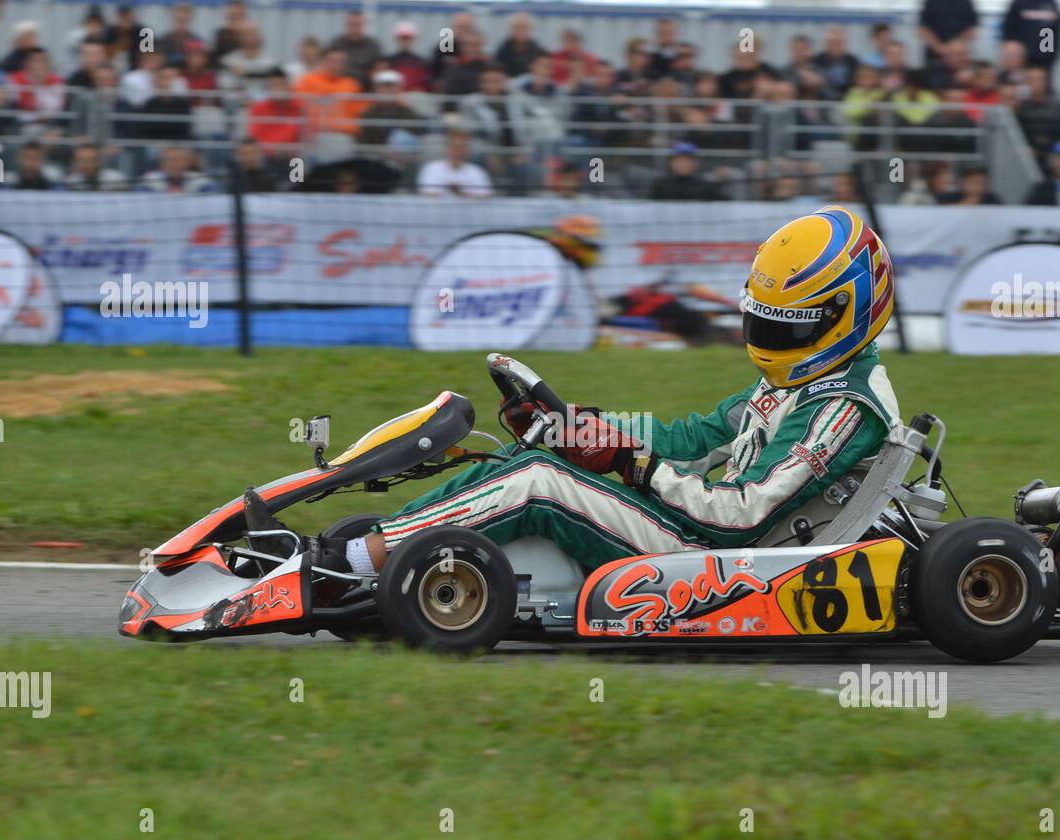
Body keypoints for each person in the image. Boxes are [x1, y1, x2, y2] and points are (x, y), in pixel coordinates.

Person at [247, 206, 901, 583]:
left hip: (726, 562)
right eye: (763, 320)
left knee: (538, 483)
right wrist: (580, 431)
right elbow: (692, 440)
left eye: (787, 325)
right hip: (703, 531)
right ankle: (371, 547)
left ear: (847, 312)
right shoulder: (804, 378)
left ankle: (342, 564)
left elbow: (742, 512)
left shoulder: (843, 408)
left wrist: (629, 464)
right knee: (517, 459)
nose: (767, 337)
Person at [416, 122, 493, 197]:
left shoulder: (477, 172)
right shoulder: (431, 168)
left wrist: (460, 193)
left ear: (467, 150)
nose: (458, 152)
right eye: (455, 147)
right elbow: (425, 194)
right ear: (447, 148)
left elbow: (486, 197)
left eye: (462, 148)